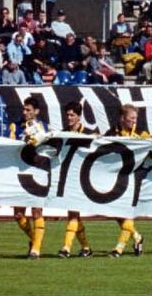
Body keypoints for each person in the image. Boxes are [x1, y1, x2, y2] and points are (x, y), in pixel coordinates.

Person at [7, 96, 48, 259]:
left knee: (36, 211)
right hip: (19, 172)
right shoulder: (15, 126)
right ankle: (34, 239)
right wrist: (22, 138)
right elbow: (8, 145)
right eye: (24, 109)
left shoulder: (43, 127)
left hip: (37, 172)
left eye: (28, 110)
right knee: (18, 215)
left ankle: (35, 250)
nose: (24, 113)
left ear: (36, 112)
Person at [54, 101, 95, 258]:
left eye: (72, 115)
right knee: (74, 214)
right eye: (67, 115)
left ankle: (66, 248)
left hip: (83, 177)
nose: (69, 118)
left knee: (72, 213)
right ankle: (86, 247)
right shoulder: (63, 133)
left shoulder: (89, 133)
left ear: (79, 116)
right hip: (68, 178)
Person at [106, 104, 148, 257]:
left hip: (133, 178)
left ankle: (119, 248)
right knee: (117, 213)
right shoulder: (112, 133)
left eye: (136, 118)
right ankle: (137, 237)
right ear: (122, 118)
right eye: (131, 118)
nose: (134, 122)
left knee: (126, 212)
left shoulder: (140, 134)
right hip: (117, 178)